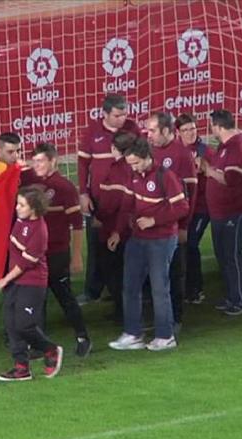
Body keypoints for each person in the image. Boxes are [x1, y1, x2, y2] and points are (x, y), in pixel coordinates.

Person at [107, 140, 189, 351]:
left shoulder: (165, 176)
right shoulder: (133, 175)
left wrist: (155, 220)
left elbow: (181, 207)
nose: (132, 167)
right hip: (137, 239)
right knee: (130, 286)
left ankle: (165, 335)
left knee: (159, 288)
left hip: (161, 239)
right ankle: (133, 333)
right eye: (130, 164)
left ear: (146, 158)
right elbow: (126, 206)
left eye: (135, 163)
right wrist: (118, 231)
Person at [20, 143, 91, 357]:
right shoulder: (32, 180)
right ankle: (40, 344)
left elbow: (77, 224)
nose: (37, 165)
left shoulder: (65, 187)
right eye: (35, 161)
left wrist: (77, 255)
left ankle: (83, 337)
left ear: (53, 161)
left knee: (64, 297)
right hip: (36, 254)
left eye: (41, 161)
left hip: (57, 253)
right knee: (36, 298)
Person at [76, 94, 140, 304]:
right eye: (117, 115)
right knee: (97, 245)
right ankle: (93, 290)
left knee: (125, 245)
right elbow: (83, 163)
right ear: (105, 113)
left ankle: (121, 291)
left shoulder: (133, 129)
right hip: (98, 199)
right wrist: (83, 193)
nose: (122, 119)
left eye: (124, 114)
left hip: (125, 198)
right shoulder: (92, 132)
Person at [0, 186, 64, 382]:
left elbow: (26, 263)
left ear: (33, 208)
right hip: (15, 281)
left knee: (24, 325)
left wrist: (6, 279)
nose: (17, 208)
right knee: (11, 324)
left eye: (22, 205)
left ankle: (50, 349)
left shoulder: (40, 231)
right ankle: (21, 367)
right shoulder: (21, 220)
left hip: (32, 282)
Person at [146, 111, 197, 333]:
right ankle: (158, 317)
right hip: (152, 226)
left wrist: (185, 226)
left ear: (166, 131)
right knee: (153, 274)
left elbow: (192, 192)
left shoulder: (181, 154)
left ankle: (176, 318)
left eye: (152, 131)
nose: (148, 135)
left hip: (174, 226)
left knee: (174, 273)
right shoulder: (149, 151)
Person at [198, 110, 242, 315]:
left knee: (232, 255)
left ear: (218, 126)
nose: (211, 130)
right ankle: (231, 296)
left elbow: (232, 179)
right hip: (220, 212)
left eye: (212, 126)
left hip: (234, 211)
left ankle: (241, 301)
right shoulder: (224, 147)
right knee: (223, 255)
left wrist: (209, 171)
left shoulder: (236, 146)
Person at [94, 130, 138, 321]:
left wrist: (99, 217)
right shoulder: (134, 168)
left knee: (113, 271)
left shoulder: (116, 170)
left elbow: (111, 203)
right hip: (132, 229)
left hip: (113, 228)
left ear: (114, 148)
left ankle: (123, 313)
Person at [176, 113, 213, 304]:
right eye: (185, 130)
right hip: (182, 207)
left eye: (193, 129)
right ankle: (184, 287)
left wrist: (206, 167)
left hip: (202, 207)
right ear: (177, 132)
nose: (190, 133)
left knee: (190, 243)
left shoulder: (204, 150)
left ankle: (196, 289)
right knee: (181, 246)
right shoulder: (174, 151)